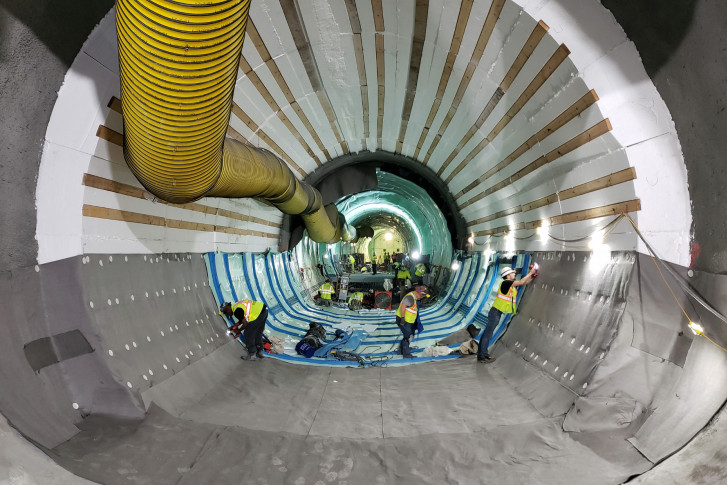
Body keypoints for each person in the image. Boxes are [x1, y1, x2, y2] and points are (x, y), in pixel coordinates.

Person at [477, 265, 536, 363]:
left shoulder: (509, 285)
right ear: (507, 275)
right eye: (512, 273)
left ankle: (482, 355)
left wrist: (532, 276)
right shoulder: (506, 283)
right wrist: (531, 272)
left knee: (487, 333)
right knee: (488, 334)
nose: (514, 274)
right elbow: (521, 282)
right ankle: (483, 356)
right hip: (495, 312)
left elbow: (524, 282)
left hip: (496, 312)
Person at [396, 285, 429, 358]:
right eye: (421, 296)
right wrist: (402, 318)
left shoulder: (414, 297)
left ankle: (401, 350)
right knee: (408, 336)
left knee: (410, 335)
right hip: (403, 320)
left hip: (409, 321)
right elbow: (403, 307)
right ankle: (406, 354)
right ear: (418, 293)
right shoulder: (410, 297)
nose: (421, 297)